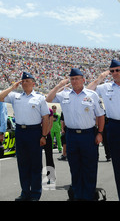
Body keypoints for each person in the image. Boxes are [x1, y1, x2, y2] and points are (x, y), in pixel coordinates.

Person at [46, 68, 104, 201]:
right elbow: (48, 98)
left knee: (89, 167)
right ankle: (78, 196)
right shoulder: (64, 94)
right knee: (75, 167)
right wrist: (59, 85)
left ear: (83, 79)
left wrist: (100, 133)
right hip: (71, 136)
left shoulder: (92, 94)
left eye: (77, 78)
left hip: (88, 135)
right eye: (72, 79)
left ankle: (89, 196)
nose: (74, 81)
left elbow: (101, 116)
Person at [0, 72, 50, 201]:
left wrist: (44, 135)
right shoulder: (15, 96)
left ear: (33, 83)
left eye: (28, 81)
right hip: (20, 131)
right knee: (23, 164)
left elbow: (46, 118)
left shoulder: (39, 98)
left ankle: (35, 194)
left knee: (35, 165)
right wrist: (12, 87)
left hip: (34, 132)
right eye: (23, 81)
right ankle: (25, 192)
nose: (25, 83)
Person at [87, 59, 120, 200]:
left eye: (117, 70)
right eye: (112, 71)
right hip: (114, 127)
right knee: (118, 166)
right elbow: (87, 91)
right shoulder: (106, 87)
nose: (114, 73)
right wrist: (100, 78)